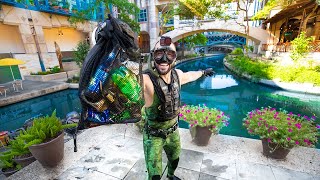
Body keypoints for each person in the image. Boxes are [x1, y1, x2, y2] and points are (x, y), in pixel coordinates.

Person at [142, 36, 214, 180]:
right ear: (152, 56)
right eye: (159, 54)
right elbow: (129, 80)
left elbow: (190, 75)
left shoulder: (177, 75)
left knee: (175, 158)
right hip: (154, 135)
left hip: (173, 131)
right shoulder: (146, 80)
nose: (163, 60)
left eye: (169, 54)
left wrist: (203, 72)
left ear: (174, 58)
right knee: (154, 175)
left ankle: (170, 175)